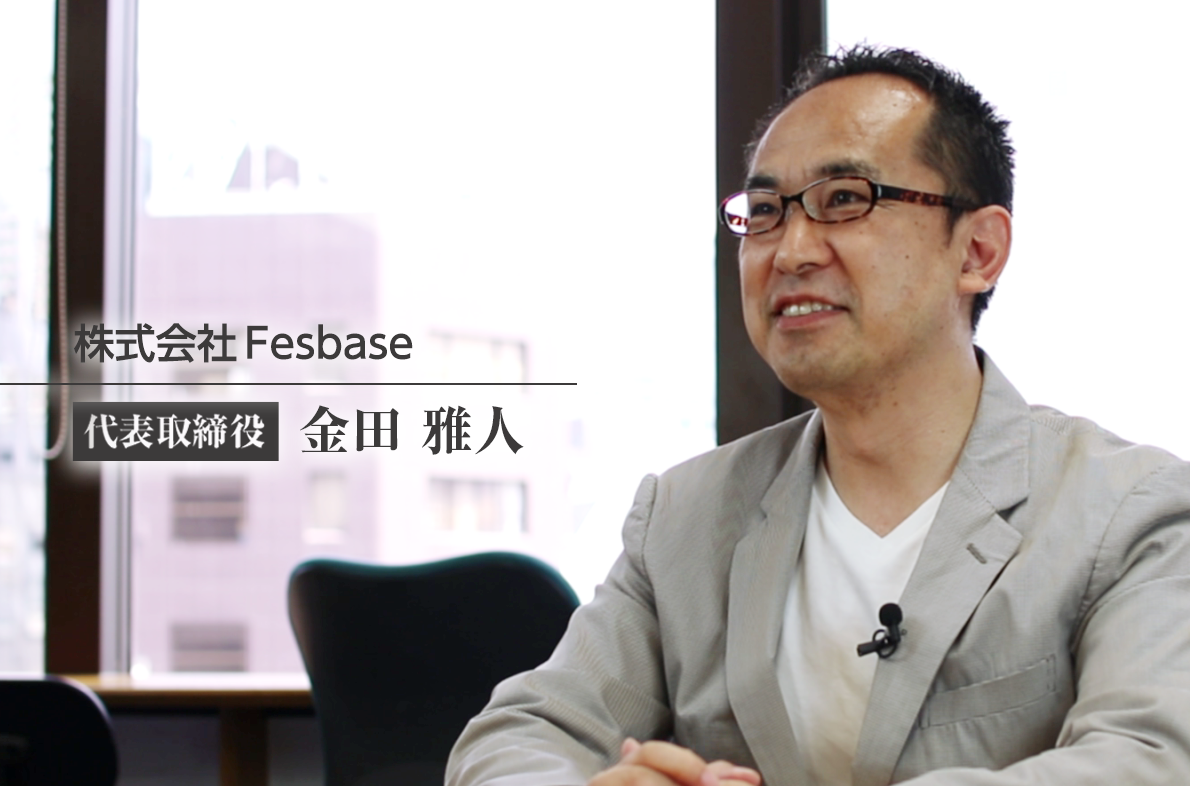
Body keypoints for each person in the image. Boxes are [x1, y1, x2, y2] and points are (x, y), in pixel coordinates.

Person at [445, 46, 1190, 786]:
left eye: (844, 200)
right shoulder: (683, 517)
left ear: (978, 251)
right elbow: (518, 737)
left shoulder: (1128, 511)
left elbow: (1151, 759)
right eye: (766, 213)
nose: (791, 250)